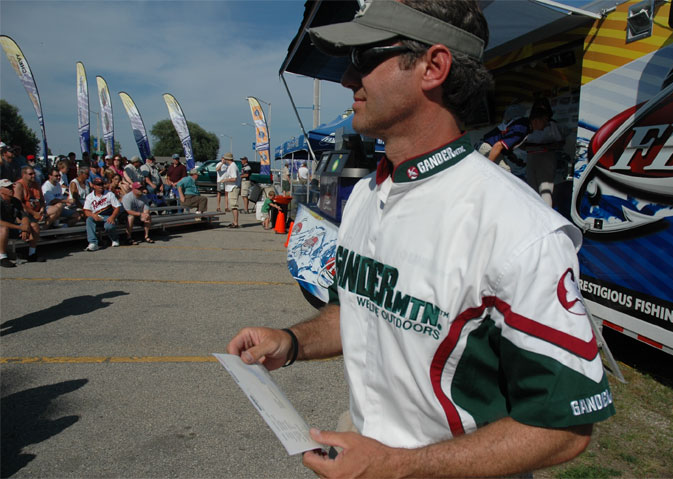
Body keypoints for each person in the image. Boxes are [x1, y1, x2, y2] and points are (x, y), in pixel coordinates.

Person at [226, 1, 614, 478]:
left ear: (433, 67)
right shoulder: (368, 194)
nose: (347, 79)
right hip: (366, 451)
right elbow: (355, 313)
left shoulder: (520, 229)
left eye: (364, 58)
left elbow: (564, 426)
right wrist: (290, 342)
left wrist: (398, 467)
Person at [477, 102, 551, 172]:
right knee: (504, 172)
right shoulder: (522, 128)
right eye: (544, 121)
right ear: (536, 120)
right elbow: (498, 145)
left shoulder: (525, 126)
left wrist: (516, 160)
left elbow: (507, 149)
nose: (546, 124)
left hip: (487, 146)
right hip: (487, 147)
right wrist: (487, 167)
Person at [523, 99, 565, 207]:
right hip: (531, 155)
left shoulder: (551, 124)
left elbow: (560, 142)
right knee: (532, 188)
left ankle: (547, 213)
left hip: (546, 156)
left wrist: (546, 146)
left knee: (545, 189)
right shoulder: (529, 124)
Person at [0, 178, 42, 266]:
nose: (11, 189)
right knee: (3, 229)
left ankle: (31, 254)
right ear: (1, 190)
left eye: (11, 187)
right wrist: (20, 227)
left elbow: (24, 216)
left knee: (34, 225)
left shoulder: (15, 201)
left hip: (11, 228)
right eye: (8, 188)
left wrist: (25, 227)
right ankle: (2, 257)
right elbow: (0, 222)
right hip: (3, 229)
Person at [83, 177, 121, 251]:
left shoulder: (109, 194)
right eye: (98, 185)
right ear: (94, 186)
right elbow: (86, 211)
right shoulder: (89, 197)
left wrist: (112, 217)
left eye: (102, 184)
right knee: (89, 220)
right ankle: (93, 243)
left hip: (108, 216)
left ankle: (115, 239)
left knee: (109, 226)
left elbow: (117, 207)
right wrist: (93, 215)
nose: (101, 186)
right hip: (97, 216)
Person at [219, 153, 241, 227]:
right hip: (231, 188)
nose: (223, 160)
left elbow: (234, 178)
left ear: (227, 159)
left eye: (224, 158)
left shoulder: (233, 166)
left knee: (234, 206)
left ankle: (236, 223)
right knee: (232, 205)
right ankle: (234, 222)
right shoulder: (231, 166)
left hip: (233, 187)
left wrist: (225, 180)